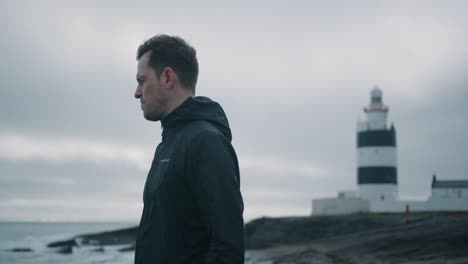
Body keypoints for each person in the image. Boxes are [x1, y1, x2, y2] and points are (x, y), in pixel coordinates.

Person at [133, 34, 244, 264]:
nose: (137, 92)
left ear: (167, 78)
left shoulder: (206, 143)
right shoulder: (167, 145)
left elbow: (228, 248)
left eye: (142, 80)